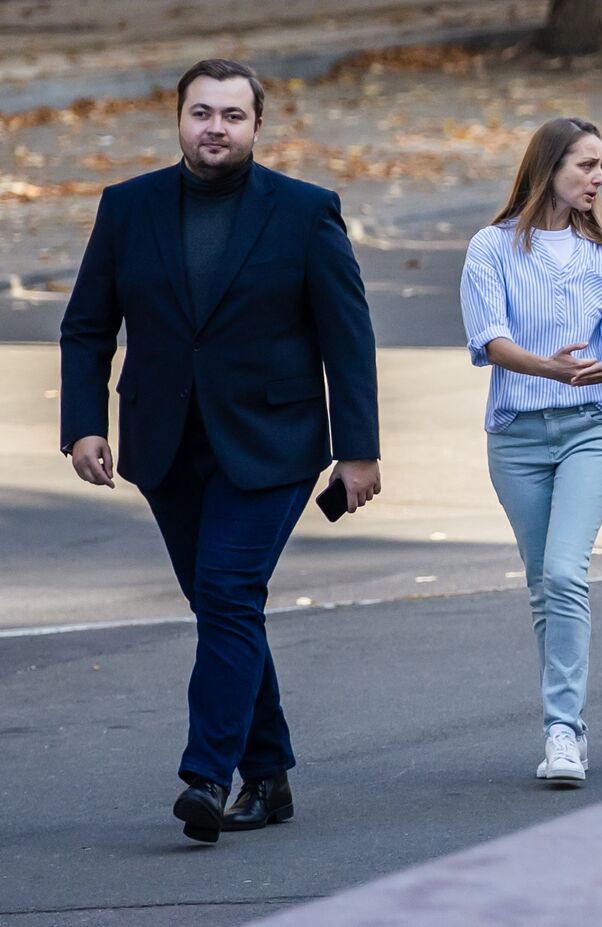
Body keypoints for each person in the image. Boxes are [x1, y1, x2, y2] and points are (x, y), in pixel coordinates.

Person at [59, 59, 381, 844]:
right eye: (201, 112)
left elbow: (348, 339)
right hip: (166, 444)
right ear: (178, 119)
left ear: (257, 127)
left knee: (229, 591)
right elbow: (87, 325)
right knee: (221, 603)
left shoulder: (305, 213)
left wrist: (358, 451)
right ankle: (267, 770)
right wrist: (84, 424)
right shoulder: (127, 208)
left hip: (273, 443)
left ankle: (208, 772)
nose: (215, 128)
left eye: (232, 116)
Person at [460, 117, 602, 785]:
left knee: (565, 571)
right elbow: (490, 339)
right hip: (518, 435)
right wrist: (550, 367)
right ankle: (561, 725)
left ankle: (564, 730)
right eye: (585, 165)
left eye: (601, 167)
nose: (598, 178)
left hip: (595, 424)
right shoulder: (491, 248)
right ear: (549, 169)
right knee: (544, 585)